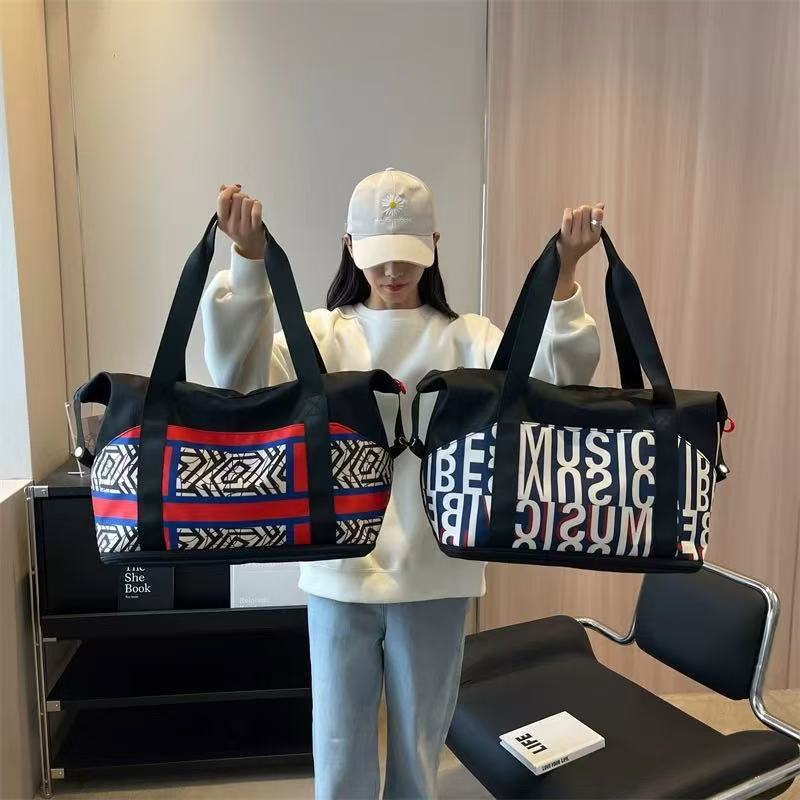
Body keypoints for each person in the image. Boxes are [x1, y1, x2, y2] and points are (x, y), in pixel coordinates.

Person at [201, 168, 603, 799]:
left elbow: (556, 386)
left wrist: (565, 278)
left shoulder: (469, 338)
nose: (392, 272)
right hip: (339, 568)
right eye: (378, 256)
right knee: (338, 746)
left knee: (419, 748)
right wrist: (248, 265)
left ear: (434, 246)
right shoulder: (319, 336)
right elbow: (239, 383)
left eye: (407, 256)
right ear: (350, 247)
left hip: (436, 571)